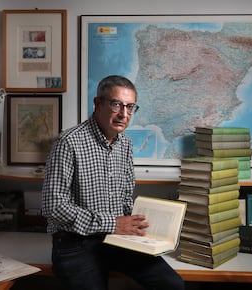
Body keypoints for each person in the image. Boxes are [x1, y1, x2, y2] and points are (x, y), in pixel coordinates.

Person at [41, 75, 185, 290]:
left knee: (173, 285)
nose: (124, 114)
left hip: (118, 239)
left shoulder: (125, 145)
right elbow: (53, 207)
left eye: (130, 107)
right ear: (98, 104)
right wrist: (113, 223)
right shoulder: (68, 142)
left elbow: (126, 197)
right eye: (117, 104)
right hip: (75, 244)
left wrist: (149, 230)